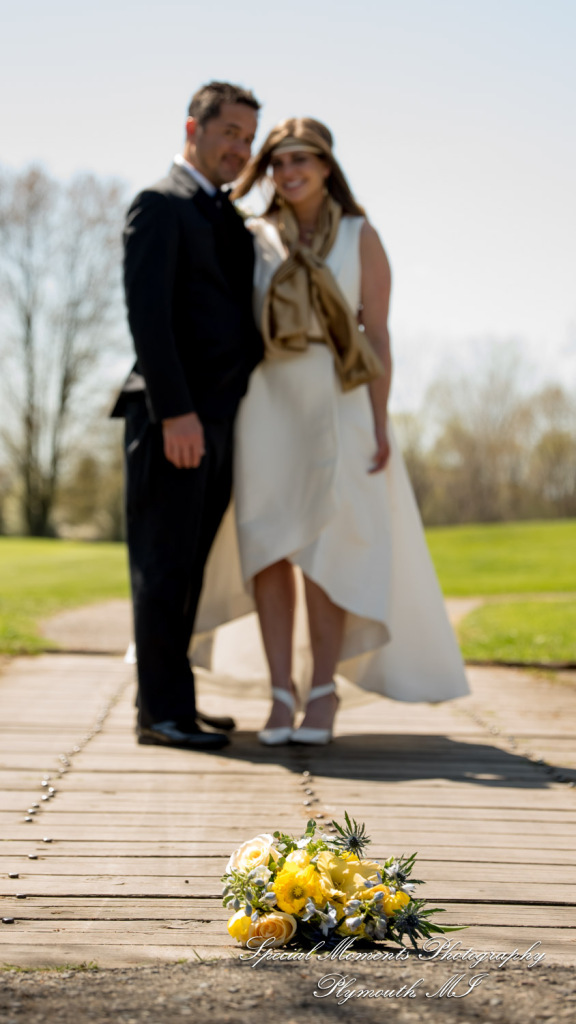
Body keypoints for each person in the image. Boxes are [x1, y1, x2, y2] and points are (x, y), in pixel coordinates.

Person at [222, 116, 469, 744]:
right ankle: (281, 695)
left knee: (326, 548)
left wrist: (380, 421)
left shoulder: (360, 235)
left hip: (341, 402)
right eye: (278, 161)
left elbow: (377, 334)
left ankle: (324, 692)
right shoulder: (252, 237)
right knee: (268, 546)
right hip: (267, 404)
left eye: (303, 158)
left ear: (328, 166)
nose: (289, 170)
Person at [111, 81, 262, 751]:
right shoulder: (159, 206)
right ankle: (160, 716)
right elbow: (149, 317)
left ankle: (175, 703)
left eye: (248, 138)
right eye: (230, 132)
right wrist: (177, 412)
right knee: (162, 567)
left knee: (191, 570)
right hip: (173, 420)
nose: (241, 148)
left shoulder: (225, 216)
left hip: (221, 422)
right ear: (193, 128)